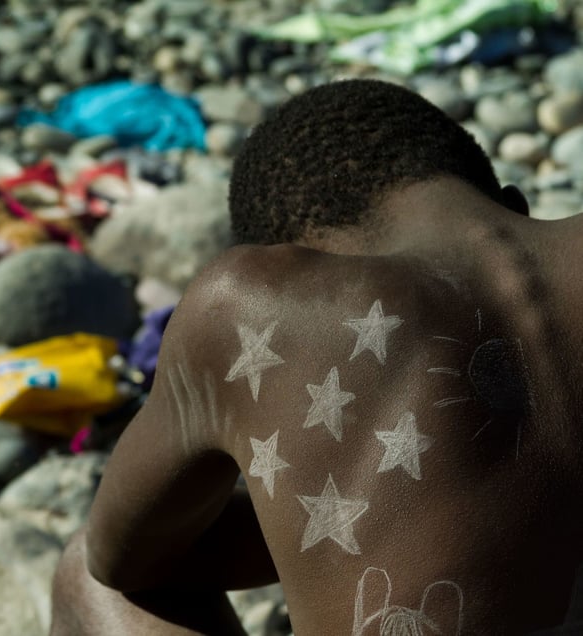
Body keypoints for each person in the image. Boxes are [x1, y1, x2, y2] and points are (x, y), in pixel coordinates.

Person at [50, 79, 583, 635]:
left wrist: (316, 518)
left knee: (85, 576)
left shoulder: (248, 305)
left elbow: (119, 557)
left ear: (290, 262)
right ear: (515, 208)